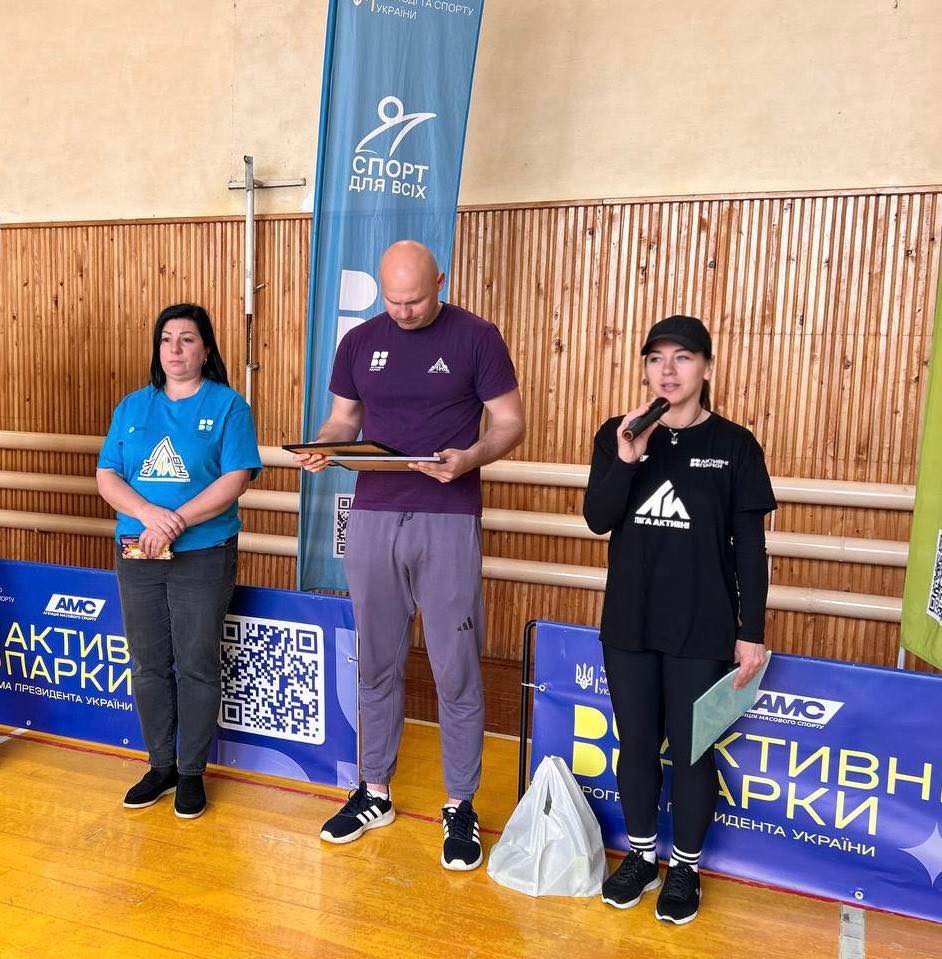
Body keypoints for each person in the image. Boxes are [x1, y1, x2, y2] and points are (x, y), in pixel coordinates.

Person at [296, 240, 525, 870]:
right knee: (375, 662)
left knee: (456, 668)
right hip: (372, 512)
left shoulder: (477, 337)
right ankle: (374, 792)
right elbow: (344, 421)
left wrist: (471, 458)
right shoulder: (359, 342)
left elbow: (510, 421)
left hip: (447, 516)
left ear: (441, 282)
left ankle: (460, 804)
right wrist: (325, 444)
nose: (403, 311)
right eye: (393, 300)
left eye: (416, 300)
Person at [583, 315, 775, 924]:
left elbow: (751, 548)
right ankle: (641, 857)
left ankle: (685, 867)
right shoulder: (618, 433)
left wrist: (751, 632)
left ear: (707, 368)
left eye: (683, 357)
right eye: (656, 358)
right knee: (636, 744)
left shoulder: (736, 445)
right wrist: (626, 459)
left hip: (704, 626)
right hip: (630, 624)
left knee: (693, 752)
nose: (667, 370)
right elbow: (598, 518)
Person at [96, 303, 262, 819]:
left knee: (195, 663)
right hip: (139, 552)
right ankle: (160, 764)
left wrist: (176, 521)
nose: (175, 349)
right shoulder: (133, 407)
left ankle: (191, 772)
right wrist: (149, 515)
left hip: (202, 554)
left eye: (187, 339)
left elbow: (235, 478)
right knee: (147, 663)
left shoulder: (229, 406)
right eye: (166, 339)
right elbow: (108, 475)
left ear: (205, 349)